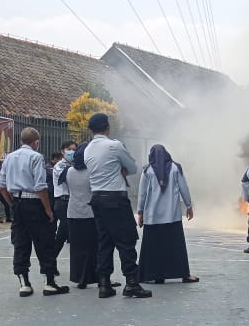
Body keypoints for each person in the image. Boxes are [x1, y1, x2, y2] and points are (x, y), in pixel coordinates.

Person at [84, 113, 152, 299]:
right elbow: (132, 168)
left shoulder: (88, 149)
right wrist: (120, 169)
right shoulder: (114, 146)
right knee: (126, 241)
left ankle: (104, 284)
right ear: (107, 127)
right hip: (115, 198)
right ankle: (131, 282)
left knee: (104, 242)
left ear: (91, 130)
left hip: (97, 198)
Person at [0, 127, 69, 297]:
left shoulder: (9, 158)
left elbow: (2, 185)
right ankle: (49, 282)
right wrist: (48, 210)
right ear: (36, 142)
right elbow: (40, 187)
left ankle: (24, 283)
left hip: (18, 202)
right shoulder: (36, 157)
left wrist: (12, 203)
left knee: (21, 243)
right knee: (44, 242)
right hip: (35, 203)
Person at [61, 143, 121, 289]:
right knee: (96, 247)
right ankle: (101, 277)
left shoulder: (68, 171)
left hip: (73, 213)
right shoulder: (91, 172)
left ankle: (80, 278)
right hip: (91, 213)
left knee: (77, 248)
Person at [137, 144, 198, 284]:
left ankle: (155, 275)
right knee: (176, 247)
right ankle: (183, 274)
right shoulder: (176, 168)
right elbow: (184, 187)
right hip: (172, 216)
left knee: (153, 247)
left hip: (152, 217)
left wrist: (140, 212)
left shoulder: (147, 171)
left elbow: (142, 194)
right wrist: (189, 205)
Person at [52, 141, 77, 257]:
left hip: (72, 202)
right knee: (71, 234)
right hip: (62, 202)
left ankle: (50, 262)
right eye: (69, 149)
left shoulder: (75, 165)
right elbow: (68, 178)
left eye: (74, 149)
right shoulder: (60, 166)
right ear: (63, 151)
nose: (72, 152)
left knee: (61, 235)